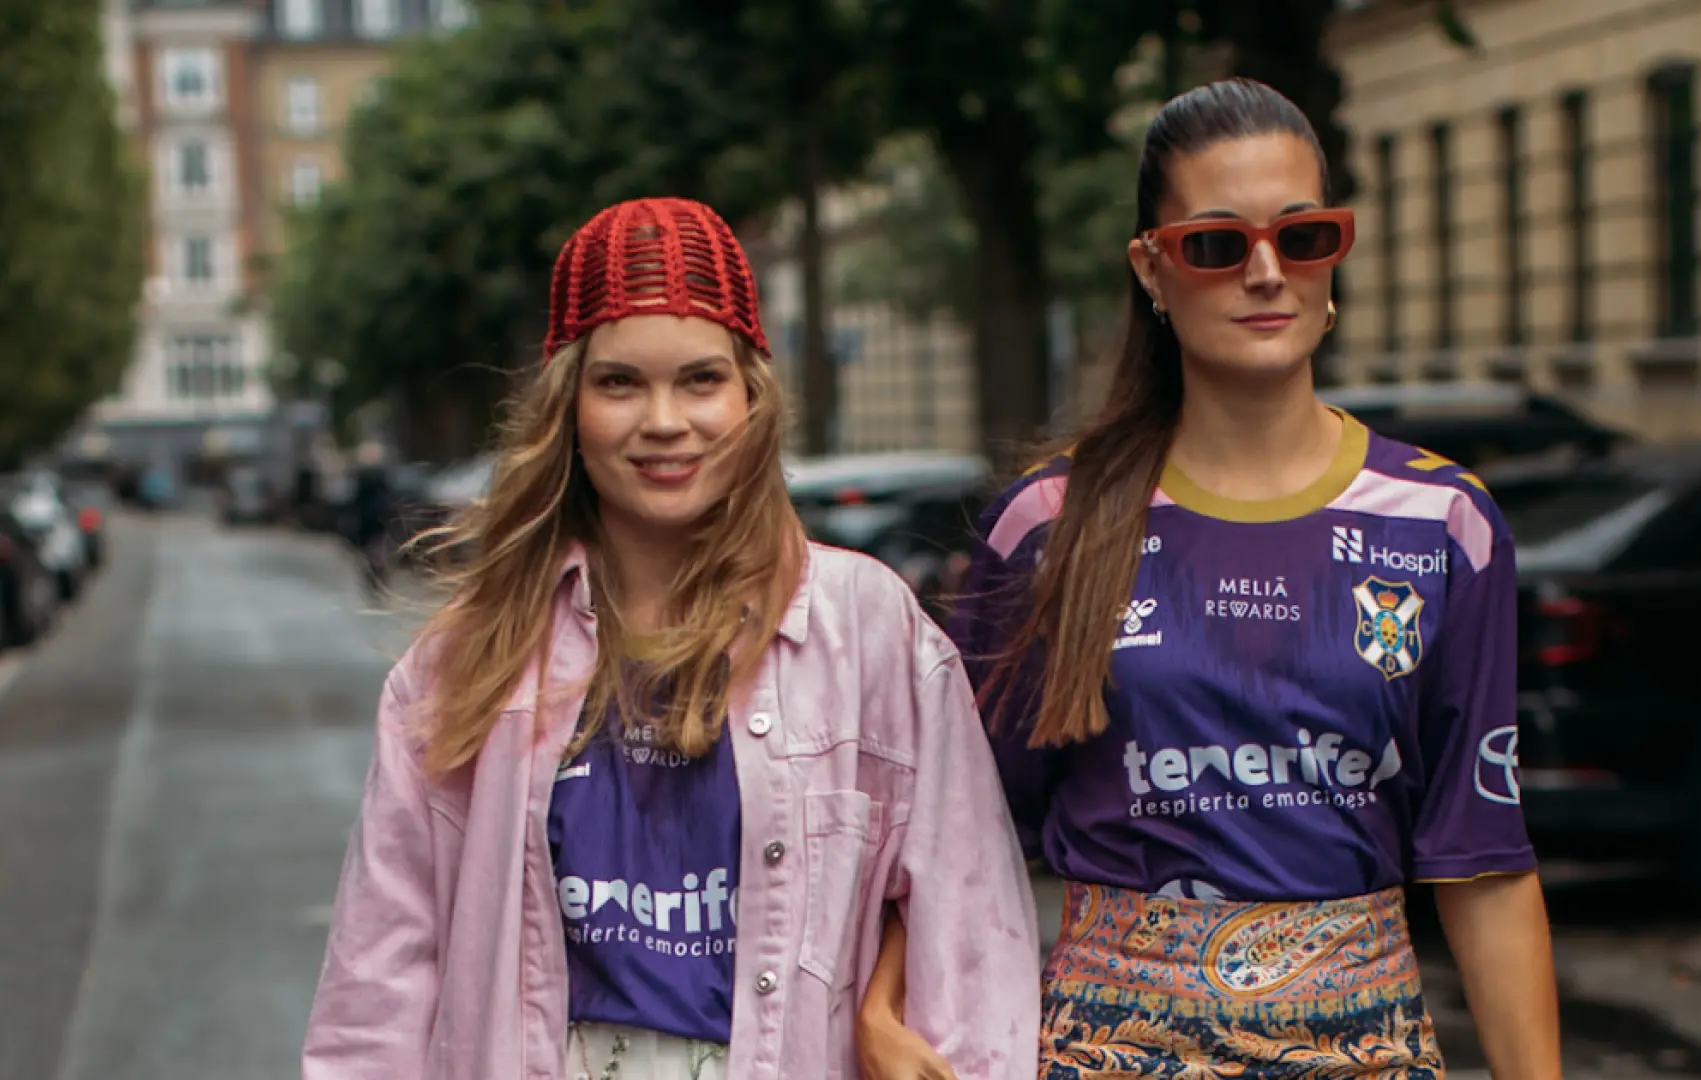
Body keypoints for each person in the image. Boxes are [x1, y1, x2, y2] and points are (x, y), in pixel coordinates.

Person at [860, 78, 1563, 1077]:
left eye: (1303, 236)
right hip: (1111, 1053)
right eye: (1218, 244)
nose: (1266, 273)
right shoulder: (1050, 527)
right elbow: (952, 830)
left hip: (1366, 1053)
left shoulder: (1444, 524)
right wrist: (879, 1006)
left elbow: (1482, 861)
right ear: (1152, 267)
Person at [302, 197, 1040, 1080]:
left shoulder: (867, 633)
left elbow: (970, 944)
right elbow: (377, 993)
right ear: (568, 408)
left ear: (751, 396)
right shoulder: (467, 664)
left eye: (700, 380)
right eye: (619, 383)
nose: (663, 420)